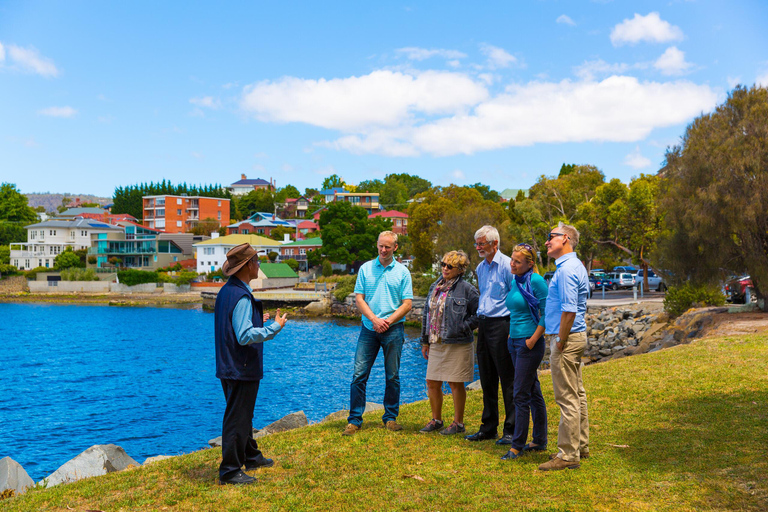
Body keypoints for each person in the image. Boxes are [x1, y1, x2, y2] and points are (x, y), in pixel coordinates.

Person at [214, 243, 288, 485]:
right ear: (247, 266)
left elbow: (233, 324)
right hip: (240, 366)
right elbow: (244, 335)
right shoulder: (242, 296)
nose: (258, 265)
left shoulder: (227, 291)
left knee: (242, 414)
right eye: (256, 261)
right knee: (237, 418)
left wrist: (257, 320)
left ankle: (251, 457)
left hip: (228, 365)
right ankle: (230, 471)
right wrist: (273, 327)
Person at [343, 231, 413, 436]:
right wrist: (374, 320)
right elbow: (359, 299)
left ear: (395, 248)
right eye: (381, 246)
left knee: (392, 376)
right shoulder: (365, 269)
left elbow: (407, 304)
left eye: (387, 247)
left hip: (394, 329)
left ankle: (390, 418)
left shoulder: (403, 272)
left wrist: (387, 322)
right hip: (368, 328)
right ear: (377, 245)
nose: (383, 250)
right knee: (359, 375)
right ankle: (354, 420)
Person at [538, 222, 590, 471]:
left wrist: (560, 339)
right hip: (574, 336)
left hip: (567, 338)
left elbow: (569, 310)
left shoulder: (567, 269)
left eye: (551, 236)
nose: (547, 242)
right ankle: (580, 445)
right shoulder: (573, 265)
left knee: (566, 397)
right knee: (577, 393)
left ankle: (568, 455)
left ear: (566, 238)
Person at [419, 251, 479, 436]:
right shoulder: (435, 286)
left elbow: (479, 314)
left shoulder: (468, 289)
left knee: (455, 383)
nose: (445, 268)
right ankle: (436, 420)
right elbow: (426, 314)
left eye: (449, 266)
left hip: (458, 343)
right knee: (432, 381)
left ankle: (458, 423)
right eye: (443, 264)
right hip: (437, 341)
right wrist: (425, 341)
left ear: (460, 270)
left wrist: (463, 327)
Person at [465, 225, 516, 445]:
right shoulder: (480, 267)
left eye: (481, 244)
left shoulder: (507, 265)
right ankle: (488, 427)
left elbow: (516, 297)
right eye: (476, 244)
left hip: (502, 324)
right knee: (487, 378)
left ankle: (511, 429)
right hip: (484, 325)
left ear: (495, 243)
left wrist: (513, 329)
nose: (478, 247)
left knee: (507, 378)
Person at [500, 243, 548, 460]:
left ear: (530, 264)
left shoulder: (536, 281)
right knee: (533, 391)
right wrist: (511, 335)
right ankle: (539, 440)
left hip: (529, 344)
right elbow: (515, 311)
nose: (512, 264)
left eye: (517, 261)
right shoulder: (515, 281)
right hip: (515, 342)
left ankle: (517, 446)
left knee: (520, 394)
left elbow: (547, 313)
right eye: (512, 259)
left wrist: (533, 339)